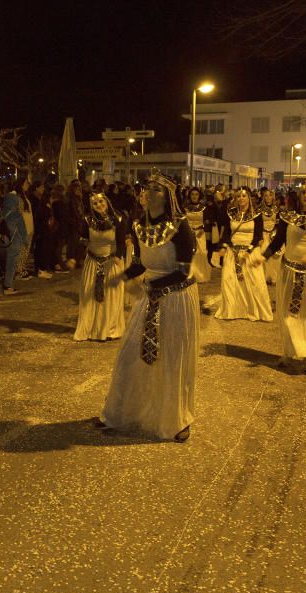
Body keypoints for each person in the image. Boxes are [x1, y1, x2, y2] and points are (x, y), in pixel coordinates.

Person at [98, 170, 198, 443]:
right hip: (149, 296)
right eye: (146, 188)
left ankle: (176, 419)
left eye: (155, 189)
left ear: (167, 196)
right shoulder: (138, 225)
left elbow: (184, 272)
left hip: (175, 298)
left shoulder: (181, 226)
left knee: (171, 359)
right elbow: (141, 263)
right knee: (130, 355)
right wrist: (122, 276)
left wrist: (148, 287)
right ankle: (122, 412)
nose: (147, 193)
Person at [250, 181, 306, 374]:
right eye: (304, 192)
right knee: (288, 315)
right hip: (289, 272)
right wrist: (262, 258)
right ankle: (289, 352)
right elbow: (278, 241)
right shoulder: (287, 217)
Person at [214, 186, 273, 322]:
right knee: (229, 281)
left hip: (250, 251)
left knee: (255, 283)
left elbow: (258, 235)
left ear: (249, 198)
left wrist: (249, 251)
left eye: (244, 196)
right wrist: (223, 246)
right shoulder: (231, 213)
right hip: (232, 251)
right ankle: (232, 310)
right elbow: (227, 233)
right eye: (239, 196)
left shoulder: (257, 214)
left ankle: (255, 310)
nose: (241, 198)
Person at [74, 192, 127, 341]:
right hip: (92, 262)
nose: (99, 205)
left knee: (111, 297)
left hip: (112, 262)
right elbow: (83, 240)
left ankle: (110, 329)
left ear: (107, 202)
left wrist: (118, 256)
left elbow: (121, 241)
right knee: (90, 296)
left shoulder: (118, 219)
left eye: (101, 202)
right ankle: (91, 329)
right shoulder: (86, 220)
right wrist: (75, 257)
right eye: (95, 204)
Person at [0, 177, 31, 295]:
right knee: (11, 259)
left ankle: (8, 283)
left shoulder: (11, 197)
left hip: (11, 231)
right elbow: (17, 218)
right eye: (26, 182)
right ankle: (8, 286)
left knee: (10, 259)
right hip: (14, 232)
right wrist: (24, 236)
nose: (28, 185)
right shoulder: (14, 198)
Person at [183, 187, 212, 283]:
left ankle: (201, 275)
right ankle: (190, 274)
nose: (194, 196)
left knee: (202, 253)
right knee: (190, 254)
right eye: (192, 194)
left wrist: (203, 229)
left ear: (199, 196)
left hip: (200, 233)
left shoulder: (204, 208)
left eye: (196, 194)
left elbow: (208, 221)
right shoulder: (185, 208)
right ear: (189, 196)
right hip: (188, 234)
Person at [259, 188, 282, 285]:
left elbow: (278, 223)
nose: (268, 197)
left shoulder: (277, 209)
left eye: (270, 195)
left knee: (276, 257)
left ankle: (274, 277)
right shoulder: (259, 209)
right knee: (264, 254)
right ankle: (264, 277)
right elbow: (258, 224)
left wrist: (275, 233)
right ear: (263, 197)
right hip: (263, 234)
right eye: (266, 195)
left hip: (274, 235)